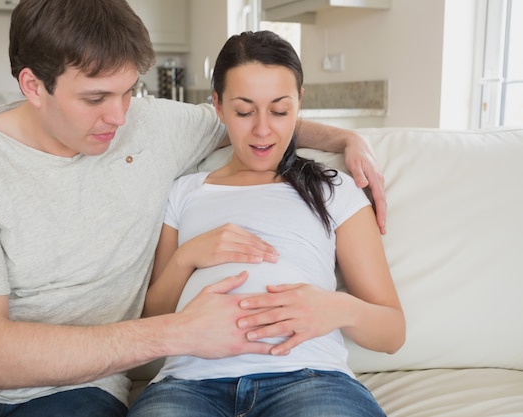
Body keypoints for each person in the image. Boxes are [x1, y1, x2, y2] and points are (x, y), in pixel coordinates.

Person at [0, 1, 387, 416]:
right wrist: (180, 330)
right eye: (96, 98)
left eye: (130, 91)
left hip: (82, 385)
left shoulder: (152, 125)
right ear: (33, 86)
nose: (119, 116)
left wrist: (347, 138)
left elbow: (255, 122)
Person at [128, 30, 405, 417]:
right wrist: (187, 258)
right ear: (219, 107)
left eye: (279, 111)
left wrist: (337, 308)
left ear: (299, 104)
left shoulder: (332, 189)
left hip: (310, 379)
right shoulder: (184, 191)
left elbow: (393, 332)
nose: (262, 130)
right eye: (244, 111)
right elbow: (152, 322)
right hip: (190, 385)